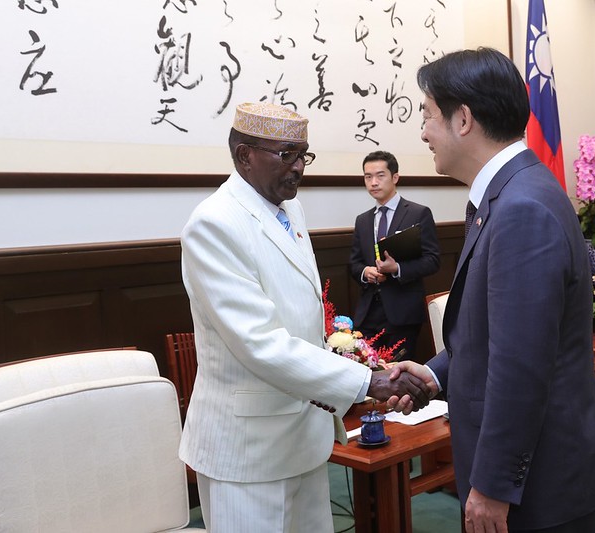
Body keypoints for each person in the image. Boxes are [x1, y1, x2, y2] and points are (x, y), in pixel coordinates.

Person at [389, 48, 595, 532]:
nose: (423, 131)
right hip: (540, 476)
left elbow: (522, 366)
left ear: (465, 119)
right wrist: (434, 375)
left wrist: (493, 486)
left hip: (541, 488)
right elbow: (499, 333)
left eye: (428, 114)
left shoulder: (521, 209)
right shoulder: (511, 194)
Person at [179, 102, 431, 532]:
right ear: (244, 156)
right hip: (248, 452)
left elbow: (301, 317)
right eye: (286, 155)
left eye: (304, 156)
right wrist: (369, 381)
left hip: (304, 438)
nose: (298, 168)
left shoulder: (288, 208)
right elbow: (260, 343)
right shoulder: (214, 224)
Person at [349, 150, 441, 361]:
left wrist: (397, 269)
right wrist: (366, 272)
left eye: (380, 175)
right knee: (369, 372)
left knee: (398, 377)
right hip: (368, 313)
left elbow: (433, 260)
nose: (373, 182)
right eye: (367, 176)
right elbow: (354, 264)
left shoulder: (418, 213)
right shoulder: (362, 220)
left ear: (395, 177)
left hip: (403, 313)